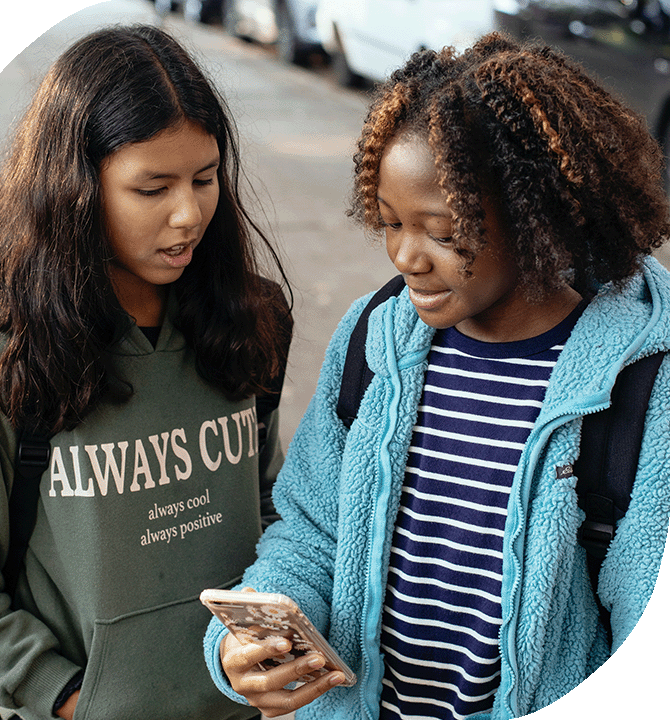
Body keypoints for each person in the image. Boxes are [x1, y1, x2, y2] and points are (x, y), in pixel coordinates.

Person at [203, 31, 670, 719]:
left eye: (445, 233)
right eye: (390, 223)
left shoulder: (641, 386)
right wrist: (253, 642)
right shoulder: (372, 337)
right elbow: (310, 530)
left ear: (538, 219)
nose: (407, 258)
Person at [0, 24, 291, 720]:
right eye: (151, 187)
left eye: (204, 178)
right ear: (76, 188)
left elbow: (268, 513)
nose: (188, 213)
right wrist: (73, 697)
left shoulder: (248, 320)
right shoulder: (7, 355)